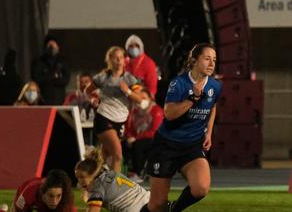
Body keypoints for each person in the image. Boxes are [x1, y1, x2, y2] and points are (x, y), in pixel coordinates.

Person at [145, 43, 220, 212]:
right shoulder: (179, 83)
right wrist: (192, 99)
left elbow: (213, 106)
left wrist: (208, 132)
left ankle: (174, 209)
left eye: (214, 60)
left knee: (201, 188)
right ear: (193, 61)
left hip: (191, 146)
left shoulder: (215, 86)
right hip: (166, 146)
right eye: (207, 59)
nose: (211, 64)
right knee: (157, 205)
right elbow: (169, 114)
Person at [91, 47, 147, 176]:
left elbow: (141, 100)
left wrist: (127, 91)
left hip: (120, 121)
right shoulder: (102, 77)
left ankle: (90, 180)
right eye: (115, 58)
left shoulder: (130, 79)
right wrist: (93, 99)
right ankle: (114, 188)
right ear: (109, 60)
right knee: (117, 155)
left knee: (103, 157)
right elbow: (88, 91)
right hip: (104, 117)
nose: (119, 60)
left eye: (121, 57)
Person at [75, 147, 150, 212]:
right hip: (148, 198)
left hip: (136, 209)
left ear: (93, 174)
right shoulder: (108, 173)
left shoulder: (98, 188)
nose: (79, 181)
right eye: (77, 177)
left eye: (82, 177)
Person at [124, 92, 163, 182]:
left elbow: (154, 131)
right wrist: (129, 137)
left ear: (150, 99)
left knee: (139, 145)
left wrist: (135, 138)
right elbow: (128, 128)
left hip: (154, 139)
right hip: (136, 138)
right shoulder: (134, 111)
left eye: (143, 97)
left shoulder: (157, 110)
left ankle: (137, 173)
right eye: (138, 97)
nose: (139, 99)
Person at [32, 35, 68, 106]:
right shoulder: (38, 62)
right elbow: (37, 79)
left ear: (58, 46)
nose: (52, 47)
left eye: (54, 45)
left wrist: (47, 76)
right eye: (49, 45)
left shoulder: (63, 62)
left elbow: (65, 80)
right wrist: (54, 75)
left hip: (59, 101)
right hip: (43, 101)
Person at [125, 35, 159, 100]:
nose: (133, 48)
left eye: (136, 46)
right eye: (131, 46)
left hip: (143, 98)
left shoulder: (149, 63)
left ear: (141, 47)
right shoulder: (123, 62)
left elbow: (152, 87)